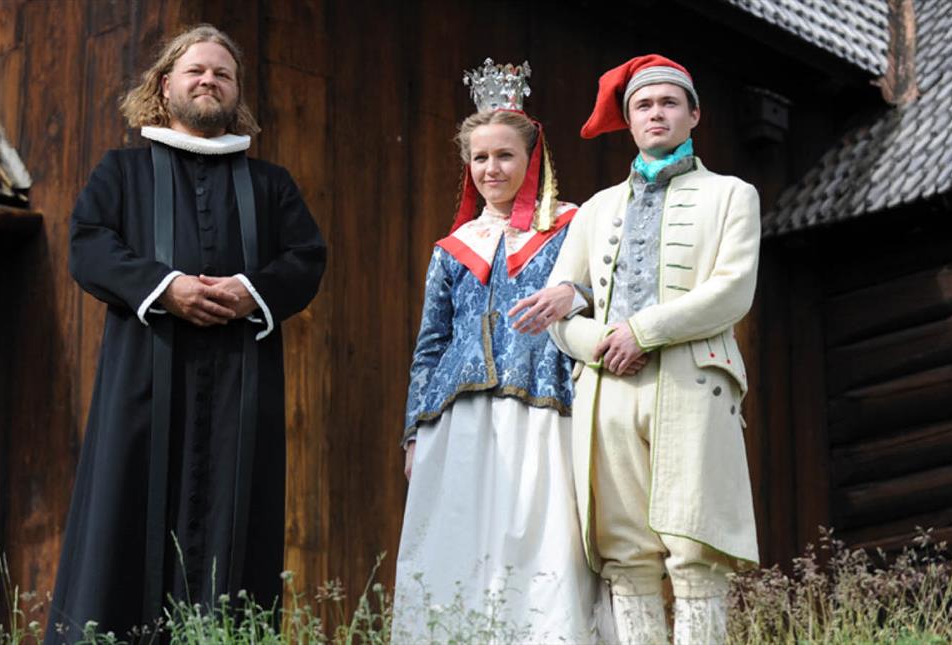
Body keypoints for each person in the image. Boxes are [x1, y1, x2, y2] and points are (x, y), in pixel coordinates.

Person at [45, 24, 326, 643]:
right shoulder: (121, 172)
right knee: (124, 518)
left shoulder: (271, 185)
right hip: (142, 383)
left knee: (237, 526)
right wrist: (163, 287)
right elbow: (89, 245)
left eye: (222, 74)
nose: (209, 81)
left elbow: (306, 258)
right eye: (196, 70)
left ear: (236, 94)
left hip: (240, 387)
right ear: (165, 83)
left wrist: (252, 292)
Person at [535, 54, 760, 644]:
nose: (655, 113)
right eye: (643, 105)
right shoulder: (594, 210)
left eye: (668, 103)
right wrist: (605, 342)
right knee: (624, 552)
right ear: (629, 122)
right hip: (606, 391)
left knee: (695, 548)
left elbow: (731, 292)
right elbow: (559, 312)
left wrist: (644, 331)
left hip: (693, 384)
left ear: (694, 115)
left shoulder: (732, 195)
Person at [393, 59, 605, 644]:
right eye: (480, 158)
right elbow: (430, 343)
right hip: (457, 420)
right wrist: (414, 429)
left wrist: (575, 292)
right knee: (456, 543)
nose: (492, 168)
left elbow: (606, 294)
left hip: (541, 406)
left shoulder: (571, 225)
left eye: (504, 155)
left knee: (540, 542)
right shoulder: (453, 249)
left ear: (532, 157)